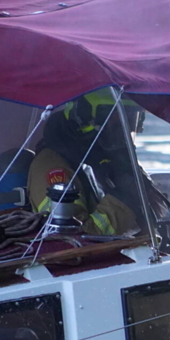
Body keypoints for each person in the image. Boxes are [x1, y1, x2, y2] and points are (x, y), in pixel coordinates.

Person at [28, 89, 143, 236]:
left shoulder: (110, 158)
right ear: (83, 118)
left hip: (141, 253)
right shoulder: (54, 166)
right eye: (114, 120)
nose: (122, 129)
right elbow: (72, 237)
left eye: (130, 119)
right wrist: (123, 200)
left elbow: (157, 210)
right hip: (98, 257)